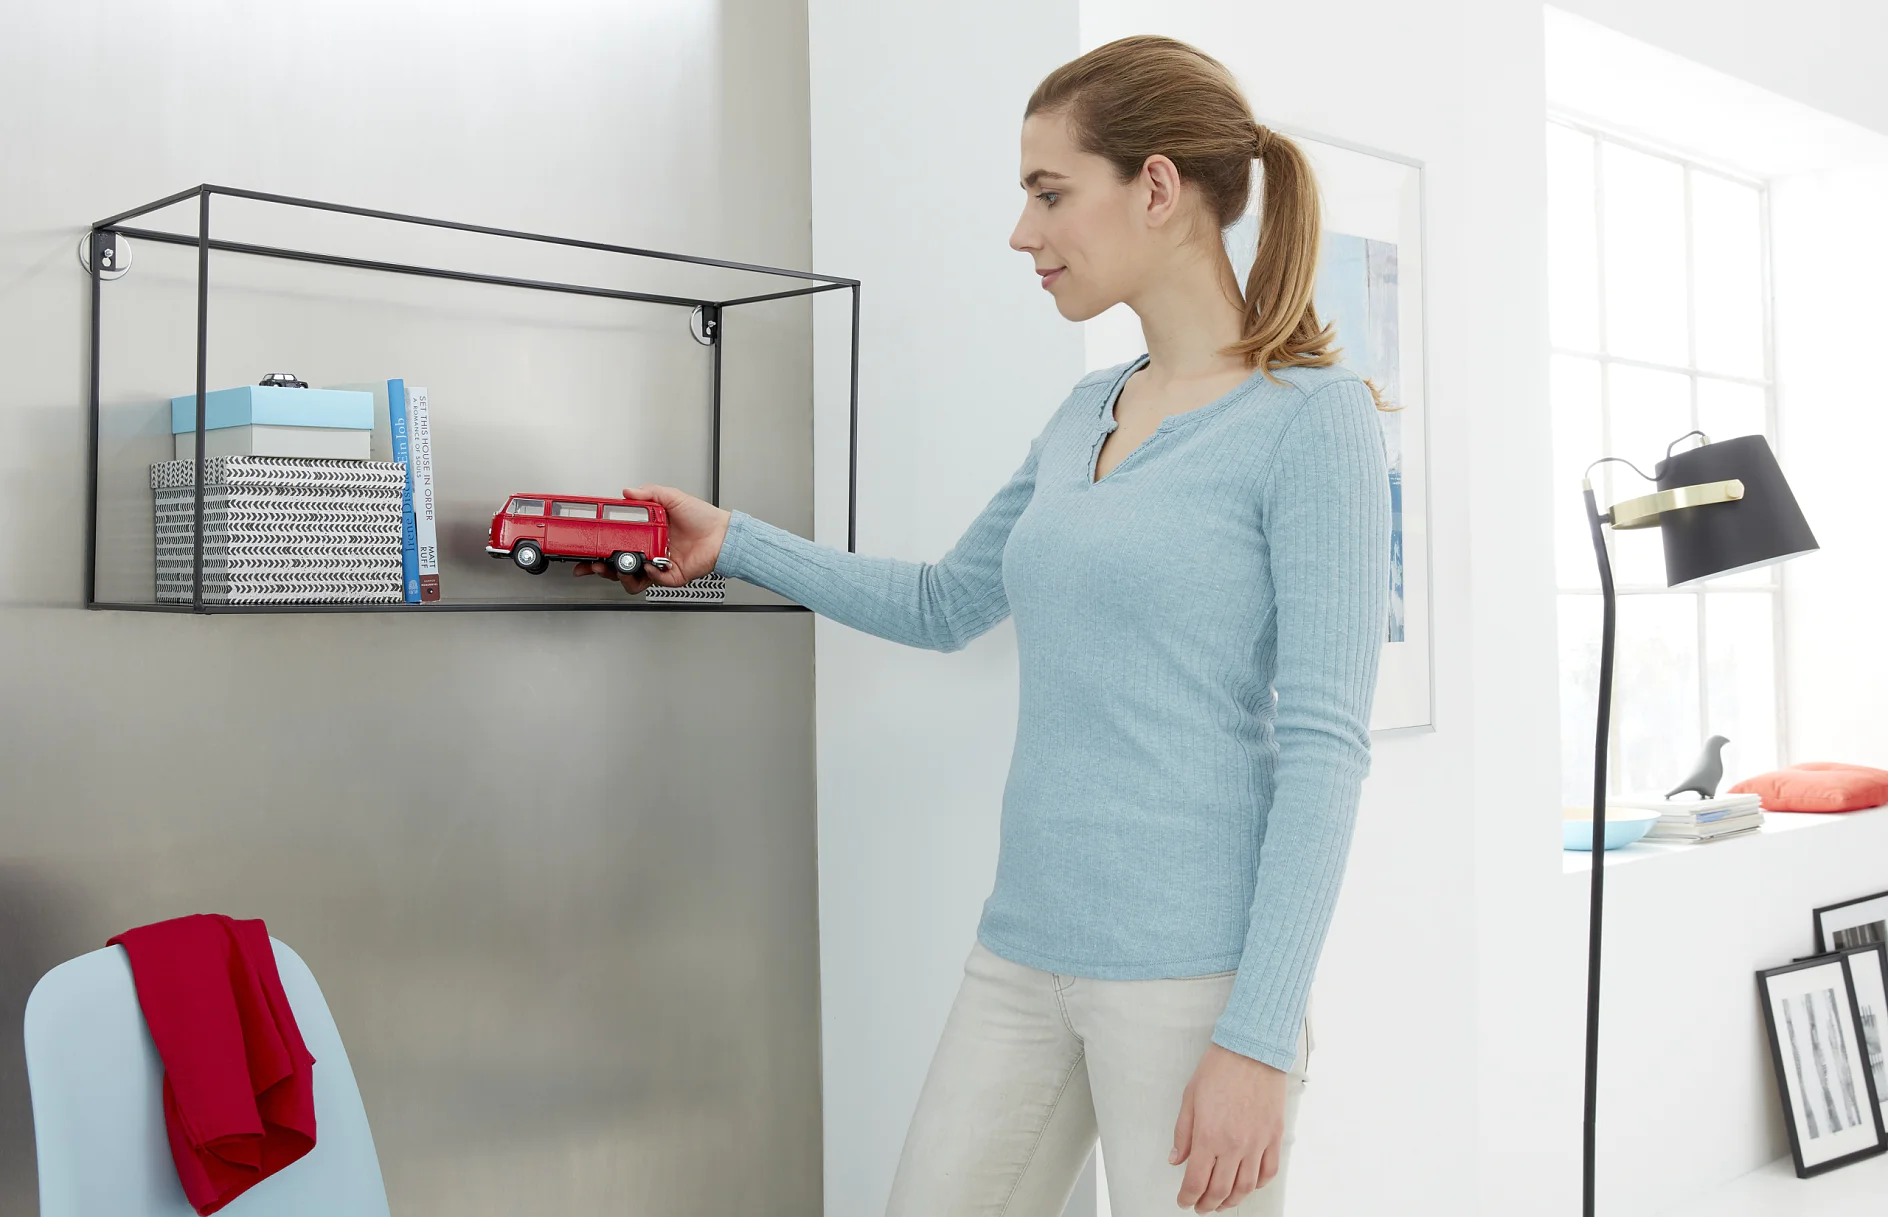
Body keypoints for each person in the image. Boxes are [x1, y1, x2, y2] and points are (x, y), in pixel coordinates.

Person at [578, 33, 1392, 1217]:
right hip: (1020, 951)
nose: (1023, 231)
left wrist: (1259, 1039)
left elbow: (1326, 749)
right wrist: (737, 540)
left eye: (1049, 192)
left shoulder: (1310, 422)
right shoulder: (1083, 410)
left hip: (1189, 979)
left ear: (1155, 188)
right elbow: (945, 601)